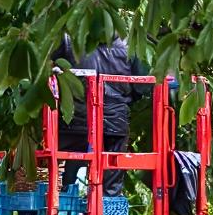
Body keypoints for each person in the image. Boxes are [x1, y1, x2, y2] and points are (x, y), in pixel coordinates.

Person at [52, 36, 152, 196]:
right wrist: (121, 103)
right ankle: (108, 204)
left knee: (71, 162)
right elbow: (142, 87)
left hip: (73, 121)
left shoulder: (69, 39)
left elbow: (44, 69)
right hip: (114, 124)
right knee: (112, 181)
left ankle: (67, 197)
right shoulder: (130, 44)